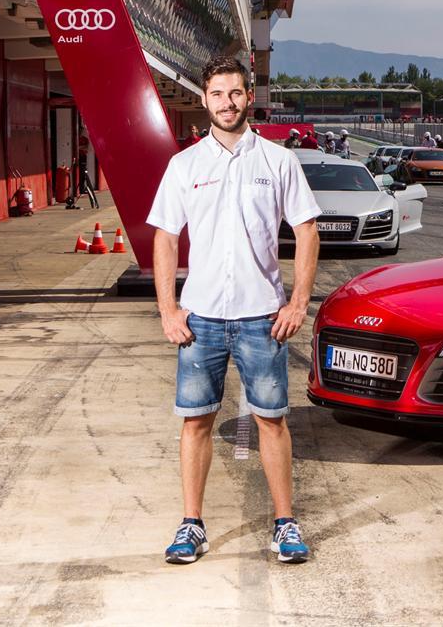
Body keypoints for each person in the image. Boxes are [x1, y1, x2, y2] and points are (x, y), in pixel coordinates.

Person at [148, 56, 321, 566]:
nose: (227, 103)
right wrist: (168, 309)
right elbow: (164, 236)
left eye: (236, 93)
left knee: (270, 421)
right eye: (218, 94)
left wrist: (297, 302)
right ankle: (192, 525)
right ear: (204, 100)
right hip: (199, 319)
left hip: (260, 318)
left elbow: (307, 230)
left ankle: (285, 525)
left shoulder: (278, 162)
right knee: (196, 421)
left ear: (250, 98)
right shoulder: (185, 166)